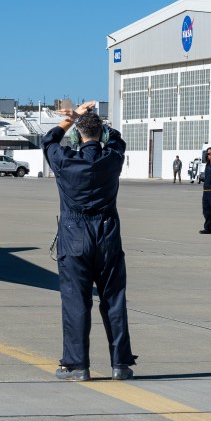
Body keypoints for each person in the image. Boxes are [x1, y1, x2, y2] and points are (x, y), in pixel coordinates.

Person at [42, 101, 137, 382]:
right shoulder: (112, 159)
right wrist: (94, 122)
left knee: (76, 301)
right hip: (107, 233)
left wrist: (72, 119)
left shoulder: (64, 160)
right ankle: (120, 364)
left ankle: (77, 365)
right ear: (101, 135)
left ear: (78, 136)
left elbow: (49, 140)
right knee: (114, 299)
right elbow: (118, 139)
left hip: (74, 235)